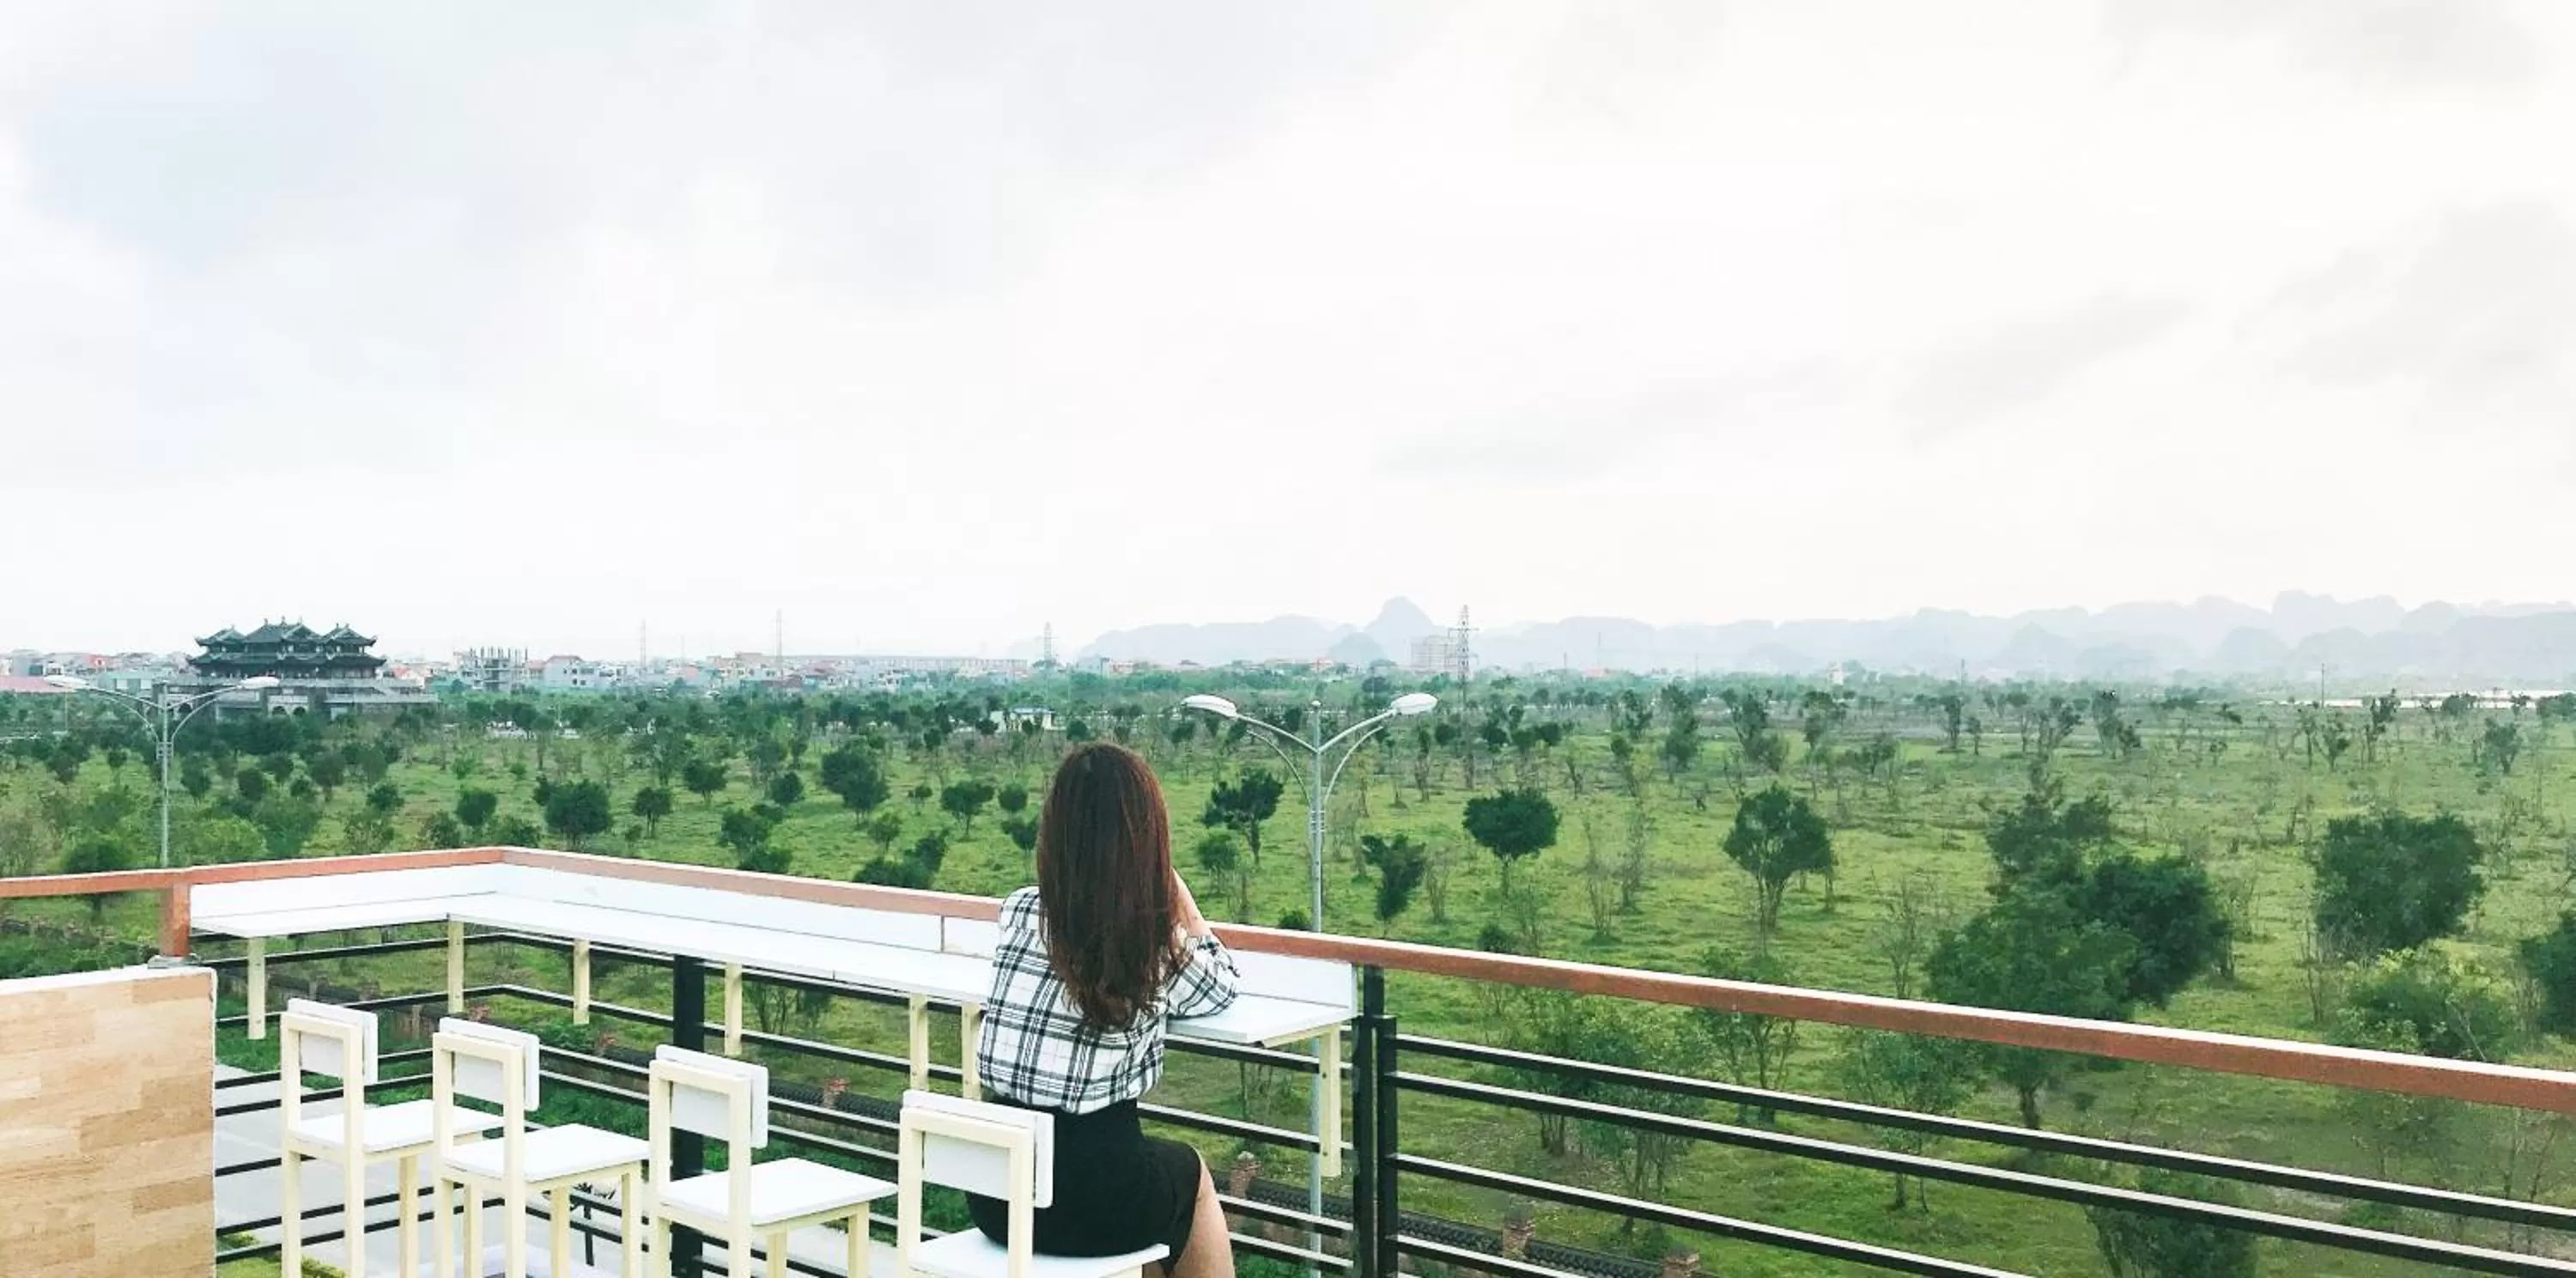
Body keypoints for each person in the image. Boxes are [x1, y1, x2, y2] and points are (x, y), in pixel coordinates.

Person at [969, 742, 1241, 1278]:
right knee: (1191, 1178)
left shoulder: (1021, 910)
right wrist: (1184, 906)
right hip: (1096, 1202)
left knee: (1138, 1195)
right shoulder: (1150, 941)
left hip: (1000, 1195)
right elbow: (1222, 988)